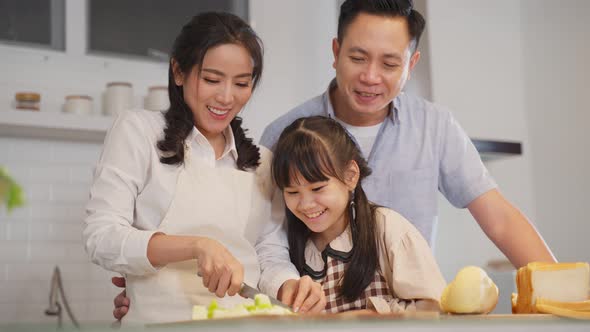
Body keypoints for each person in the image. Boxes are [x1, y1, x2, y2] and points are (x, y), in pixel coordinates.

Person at [112, 0, 557, 318]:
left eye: (389, 63)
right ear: (335, 52)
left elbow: (498, 218)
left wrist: (561, 293)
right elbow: (261, 245)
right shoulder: (284, 135)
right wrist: (159, 289)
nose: (370, 76)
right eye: (357, 57)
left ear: (411, 63)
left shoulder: (435, 126)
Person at [84, 12, 323, 324]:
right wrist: (196, 246)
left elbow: (269, 253)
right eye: (212, 79)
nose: (226, 96)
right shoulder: (138, 132)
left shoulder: (262, 162)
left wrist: (288, 285)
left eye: (241, 83)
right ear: (178, 71)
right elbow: (101, 237)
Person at [272, 116, 446, 313]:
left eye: (318, 188)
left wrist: (367, 317)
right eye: (292, 192)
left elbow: (434, 308)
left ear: (351, 176)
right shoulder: (288, 243)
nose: (306, 204)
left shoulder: (386, 228)